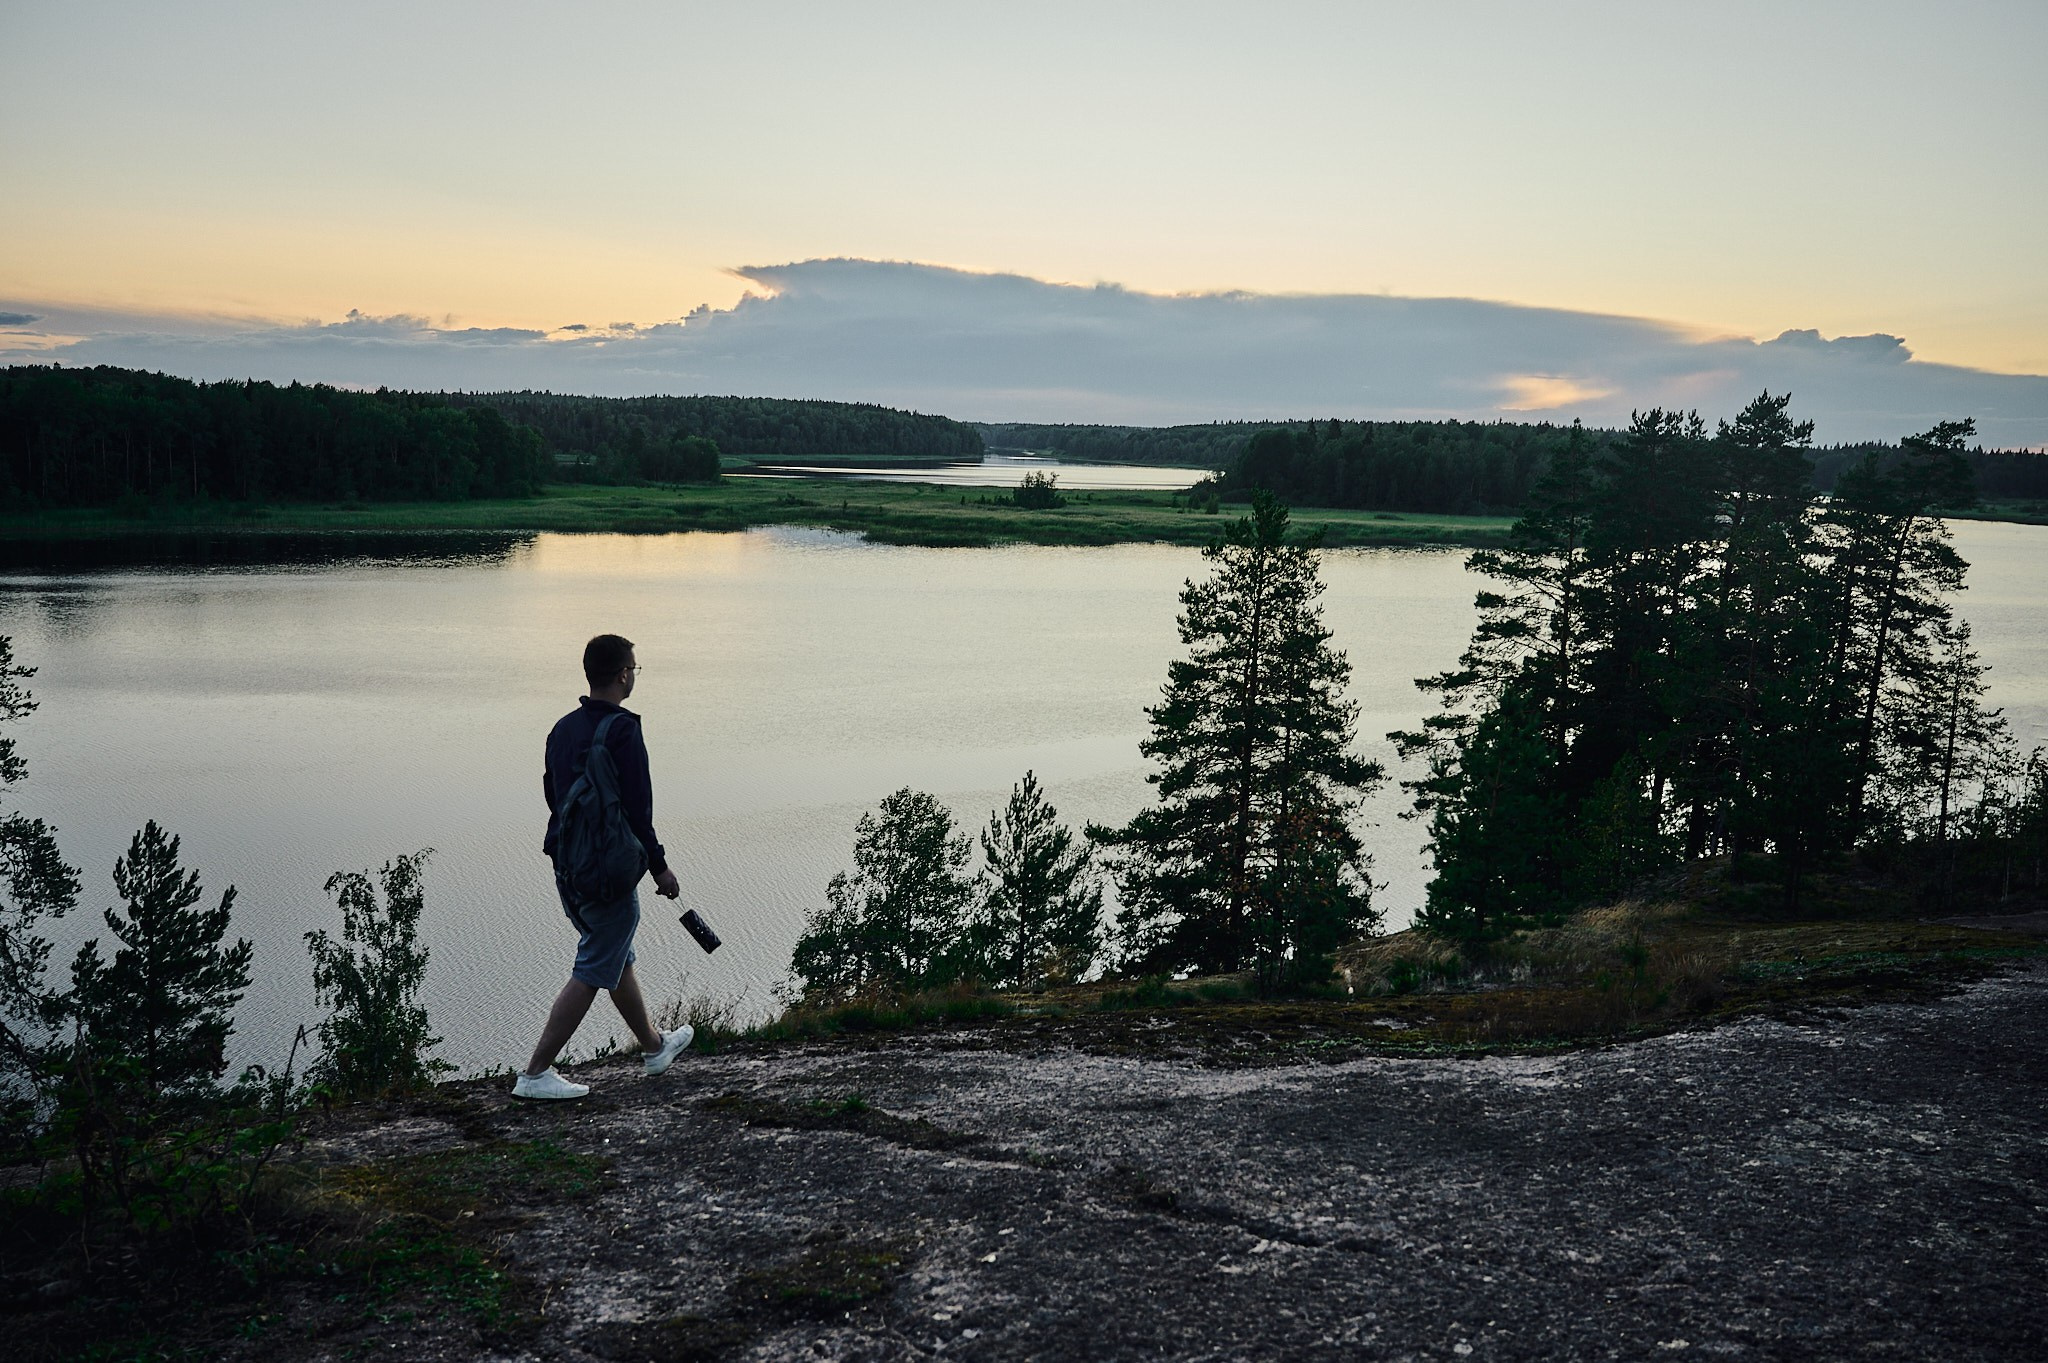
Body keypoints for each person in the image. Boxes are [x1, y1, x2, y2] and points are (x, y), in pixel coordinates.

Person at [514, 633, 693, 1099]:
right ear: (623, 675)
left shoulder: (561, 729)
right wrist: (660, 868)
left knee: (615, 955)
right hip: (607, 875)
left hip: (567, 868)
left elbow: (554, 797)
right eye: (634, 667)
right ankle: (534, 1074)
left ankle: (655, 1047)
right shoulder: (623, 731)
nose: (634, 674)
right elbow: (638, 810)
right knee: (596, 964)